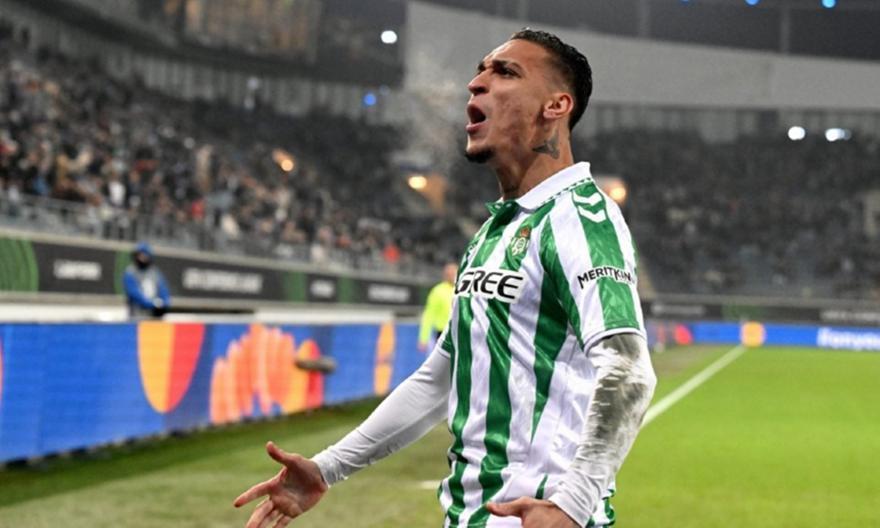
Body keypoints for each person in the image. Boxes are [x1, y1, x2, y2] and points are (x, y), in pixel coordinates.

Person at [234, 29, 657, 528]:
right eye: (479, 71)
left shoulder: (579, 216)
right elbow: (440, 377)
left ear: (555, 105)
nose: (476, 83)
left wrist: (573, 504)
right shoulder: (495, 232)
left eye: (505, 72)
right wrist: (328, 467)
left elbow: (628, 370)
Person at [123, 242, 171, 318]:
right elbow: (134, 293)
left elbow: (163, 290)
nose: (142, 258)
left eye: (144, 255)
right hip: (137, 316)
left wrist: (164, 303)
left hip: (154, 315)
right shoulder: (130, 272)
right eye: (140, 255)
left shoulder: (155, 272)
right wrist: (152, 304)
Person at [418, 262, 458, 351]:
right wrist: (423, 338)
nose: (452, 276)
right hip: (442, 333)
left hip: (459, 333)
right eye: (450, 274)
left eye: (454, 274)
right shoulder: (438, 291)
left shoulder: (462, 290)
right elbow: (429, 315)